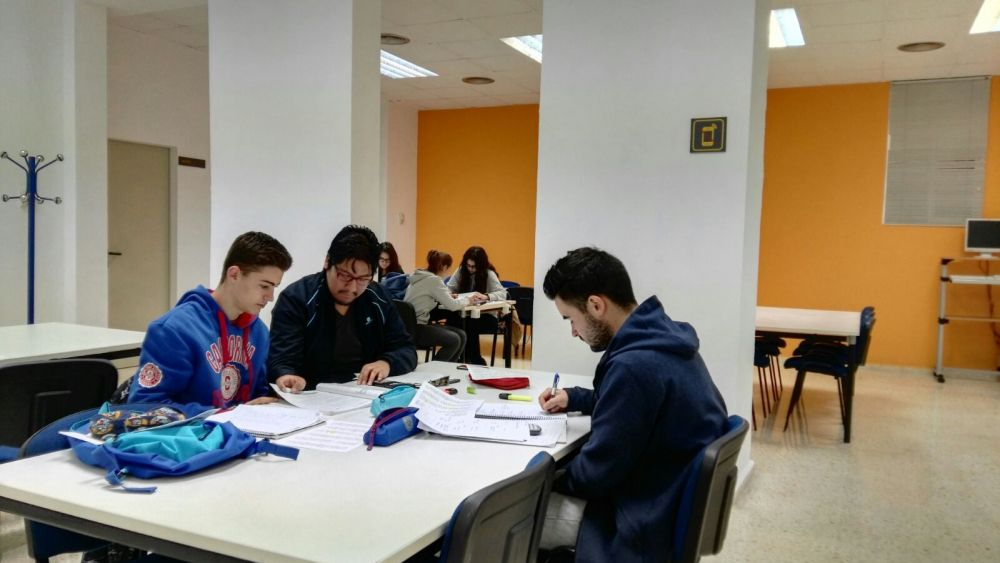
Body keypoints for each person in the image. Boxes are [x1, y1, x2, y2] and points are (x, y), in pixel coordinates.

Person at [537, 247, 728, 562]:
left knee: (508, 516)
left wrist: (544, 476)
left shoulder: (634, 367)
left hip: (641, 522)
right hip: (666, 500)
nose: (573, 332)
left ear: (596, 305)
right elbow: (630, 405)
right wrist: (575, 397)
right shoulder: (664, 341)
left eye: (570, 319)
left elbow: (594, 475)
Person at [125, 231, 293, 408]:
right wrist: (227, 414)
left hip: (240, 425)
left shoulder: (258, 332)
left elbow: (258, 394)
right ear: (234, 274)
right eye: (264, 286)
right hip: (197, 426)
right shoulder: (174, 329)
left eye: (274, 287)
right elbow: (145, 405)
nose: (270, 297)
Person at [268, 225, 416, 390]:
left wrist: (386, 363)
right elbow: (281, 360)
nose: (352, 288)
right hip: (311, 393)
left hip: (364, 392)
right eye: (345, 276)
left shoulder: (378, 297)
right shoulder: (296, 299)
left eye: (363, 279)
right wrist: (287, 375)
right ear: (327, 262)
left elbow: (406, 349)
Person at [404, 250, 483, 362]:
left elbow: (428, 295)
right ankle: (435, 369)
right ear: (444, 267)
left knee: (462, 335)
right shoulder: (434, 280)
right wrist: (468, 300)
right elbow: (452, 306)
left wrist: (447, 296)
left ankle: (448, 368)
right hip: (418, 327)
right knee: (455, 340)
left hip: (409, 326)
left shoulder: (419, 277)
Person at [446, 246, 507, 365]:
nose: (470, 269)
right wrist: (450, 294)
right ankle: (458, 358)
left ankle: (474, 359)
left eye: (473, 266)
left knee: (470, 322)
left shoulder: (489, 274)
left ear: (481, 265)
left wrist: (486, 296)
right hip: (465, 314)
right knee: (453, 319)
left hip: (486, 316)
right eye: (468, 265)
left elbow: (503, 293)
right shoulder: (461, 270)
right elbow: (449, 288)